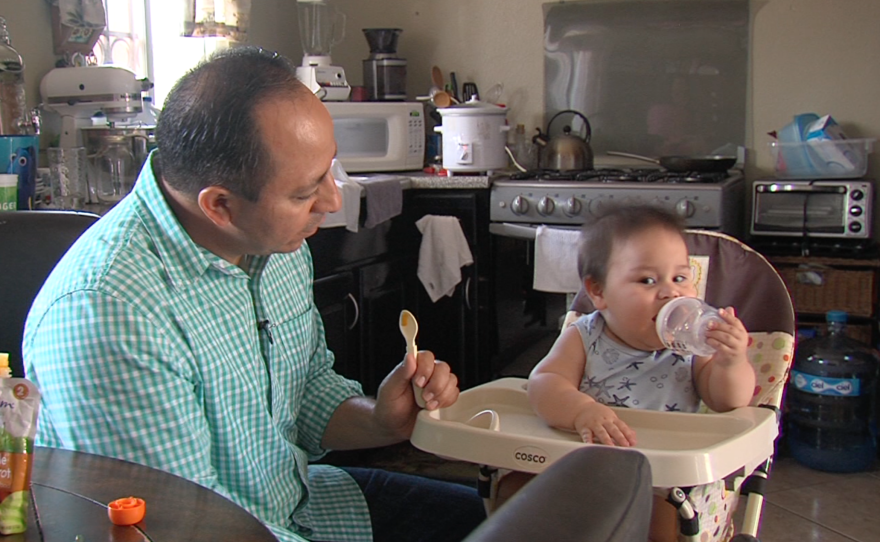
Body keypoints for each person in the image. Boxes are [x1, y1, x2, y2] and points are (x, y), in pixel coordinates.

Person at [23, 47, 485, 542]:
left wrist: (380, 420)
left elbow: (306, 390)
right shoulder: (111, 314)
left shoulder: (273, 243)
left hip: (295, 501)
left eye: (330, 169)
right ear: (220, 205)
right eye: (305, 192)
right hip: (214, 529)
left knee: (491, 519)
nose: (332, 201)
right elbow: (180, 528)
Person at [527, 203, 755, 542]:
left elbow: (727, 401)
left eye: (680, 277)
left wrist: (730, 362)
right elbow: (543, 384)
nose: (670, 292)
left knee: (658, 520)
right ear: (598, 292)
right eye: (647, 280)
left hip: (660, 478)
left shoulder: (692, 348)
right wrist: (582, 411)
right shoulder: (585, 336)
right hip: (581, 465)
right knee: (518, 487)